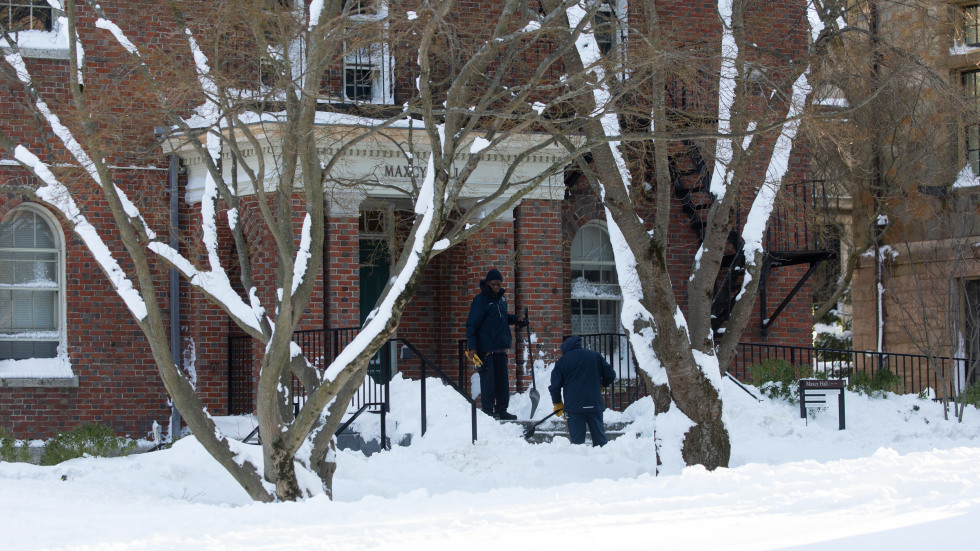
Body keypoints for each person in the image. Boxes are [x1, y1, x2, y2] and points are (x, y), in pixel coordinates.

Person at [465, 268, 527, 420]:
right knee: (488, 382)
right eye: (494, 284)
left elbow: (503, 318)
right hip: (485, 350)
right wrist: (472, 347)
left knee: (502, 382)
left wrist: (517, 320)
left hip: (500, 348)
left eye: (499, 284)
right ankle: (488, 411)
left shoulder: (501, 300)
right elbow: (471, 324)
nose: (497, 287)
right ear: (487, 284)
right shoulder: (481, 300)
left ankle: (501, 410)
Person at [549, 335, 617, 446]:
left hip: (573, 408)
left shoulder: (563, 361)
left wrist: (557, 403)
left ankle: (579, 462)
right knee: (600, 441)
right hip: (594, 405)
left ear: (566, 348)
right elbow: (611, 375)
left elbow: (555, 386)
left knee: (577, 443)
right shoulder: (595, 356)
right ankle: (603, 461)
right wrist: (602, 384)